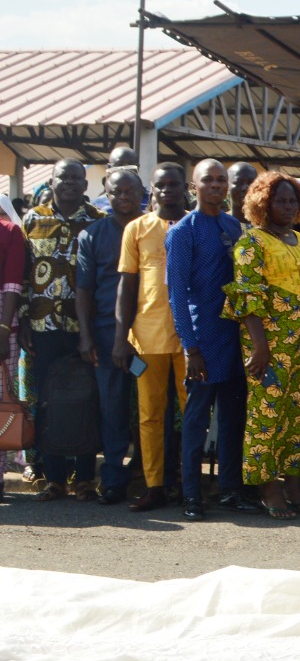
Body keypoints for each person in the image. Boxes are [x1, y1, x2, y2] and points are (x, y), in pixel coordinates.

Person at [223, 172, 300, 520]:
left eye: (293, 200)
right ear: (263, 203)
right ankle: (267, 486)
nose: (288, 206)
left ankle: (293, 481)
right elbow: (247, 297)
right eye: (280, 200)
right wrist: (260, 347)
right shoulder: (252, 243)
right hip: (268, 342)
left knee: (299, 414)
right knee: (267, 413)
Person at [166, 159, 254, 520]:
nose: (216, 186)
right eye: (208, 180)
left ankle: (230, 490)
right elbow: (177, 294)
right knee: (196, 420)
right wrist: (191, 348)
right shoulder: (183, 231)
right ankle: (192, 496)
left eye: (222, 180)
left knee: (234, 417)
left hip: (235, 337)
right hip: (203, 338)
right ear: (194, 186)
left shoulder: (234, 226)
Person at [23, 160, 105, 499]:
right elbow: (25, 273)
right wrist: (26, 320)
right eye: (64, 177)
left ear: (85, 185)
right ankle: (54, 477)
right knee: (47, 400)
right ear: (51, 182)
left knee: (87, 398)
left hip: (85, 328)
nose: (70, 183)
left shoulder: (98, 223)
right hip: (42, 327)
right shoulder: (32, 220)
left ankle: (84, 478)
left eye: (77, 178)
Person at [114, 163, 189, 510]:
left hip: (191, 336)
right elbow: (127, 285)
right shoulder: (137, 229)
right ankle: (155, 485)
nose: (168, 191)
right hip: (148, 335)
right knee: (150, 415)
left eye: (174, 185)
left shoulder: (194, 224)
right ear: (153, 190)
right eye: (161, 185)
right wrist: (121, 336)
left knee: (193, 412)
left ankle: (191, 485)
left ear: (185, 188)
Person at [72, 168, 142, 504]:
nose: (124, 197)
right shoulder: (92, 235)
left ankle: (151, 475)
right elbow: (83, 290)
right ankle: (113, 478)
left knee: (151, 406)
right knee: (112, 407)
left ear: (141, 191)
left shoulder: (155, 230)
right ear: (106, 192)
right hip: (104, 336)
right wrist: (86, 337)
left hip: (149, 335)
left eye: (131, 191)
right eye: (117, 191)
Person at [0, 196, 24, 490]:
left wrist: (4, 329)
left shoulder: (9, 232)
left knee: (1, 400)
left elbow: (13, 283)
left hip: (2, 324)